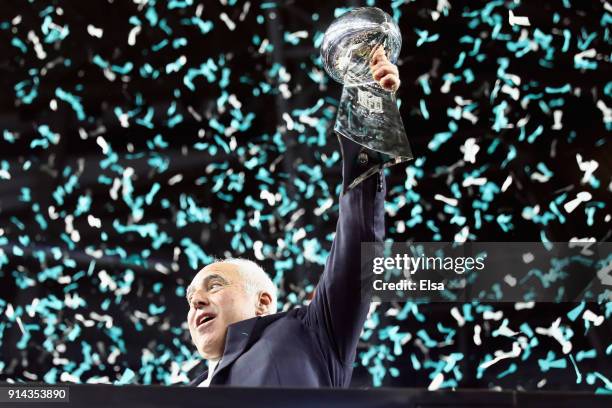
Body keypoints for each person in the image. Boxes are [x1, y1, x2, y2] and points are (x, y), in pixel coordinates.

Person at [187, 47, 400, 387]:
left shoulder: (308, 334)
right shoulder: (171, 396)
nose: (196, 300)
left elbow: (359, 235)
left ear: (263, 302)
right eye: (191, 297)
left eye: (214, 285)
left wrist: (367, 107)